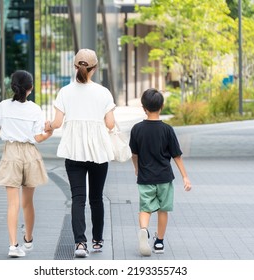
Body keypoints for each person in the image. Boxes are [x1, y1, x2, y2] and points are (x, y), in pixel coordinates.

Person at [45, 48, 115, 258]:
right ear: (94, 69)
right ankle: (97, 240)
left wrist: (48, 125)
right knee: (96, 198)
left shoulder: (65, 92)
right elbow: (110, 124)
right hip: (99, 153)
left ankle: (80, 244)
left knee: (78, 198)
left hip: (74, 151)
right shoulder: (103, 92)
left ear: (76, 67)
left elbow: (56, 123)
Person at [0, 70, 52, 258]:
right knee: (27, 203)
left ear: (13, 87)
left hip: (11, 153)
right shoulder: (35, 109)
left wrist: (2, 125)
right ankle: (28, 239)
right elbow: (38, 138)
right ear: (30, 88)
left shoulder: (3, 106)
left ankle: (13, 245)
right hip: (30, 154)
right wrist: (49, 133)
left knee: (12, 204)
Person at [129, 88, 192, 256]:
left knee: (145, 208)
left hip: (145, 177)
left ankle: (144, 230)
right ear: (162, 106)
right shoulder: (167, 130)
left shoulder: (136, 129)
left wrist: (137, 168)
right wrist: (185, 177)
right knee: (163, 210)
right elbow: (176, 155)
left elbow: (134, 154)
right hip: (164, 177)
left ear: (143, 107)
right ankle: (159, 243)